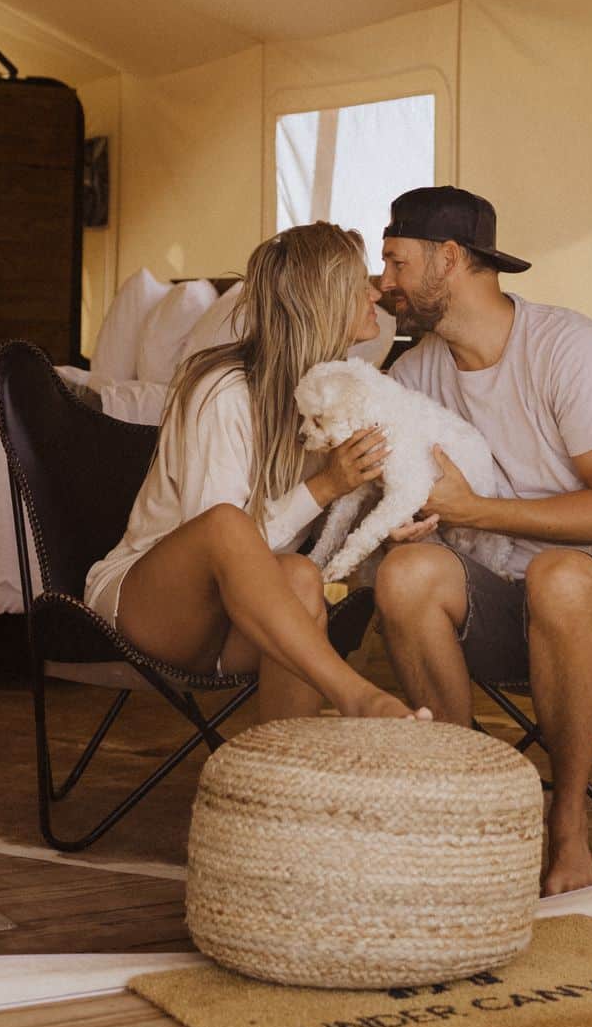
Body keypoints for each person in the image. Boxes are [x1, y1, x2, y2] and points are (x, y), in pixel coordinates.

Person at [373, 186, 592, 892]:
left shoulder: (571, 349)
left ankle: (566, 827)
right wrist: (407, 521)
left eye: (395, 261)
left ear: (448, 260)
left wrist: (473, 510)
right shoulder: (414, 372)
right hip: (504, 599)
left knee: (561, 577)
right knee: (408, 574)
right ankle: (473, 812)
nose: (383, 280)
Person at [83, 223, 431, 722]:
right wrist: (325, 484)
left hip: (248, 625)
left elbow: (317, 529)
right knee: (228, 524)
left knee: (302, 577)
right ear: (325, 299)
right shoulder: (222, 390)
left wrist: (383, 526)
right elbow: (217, 548)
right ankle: (354, 695)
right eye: (361, 282)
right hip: (155, 612)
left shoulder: (335, 395)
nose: (376, 290)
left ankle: (285, 780)